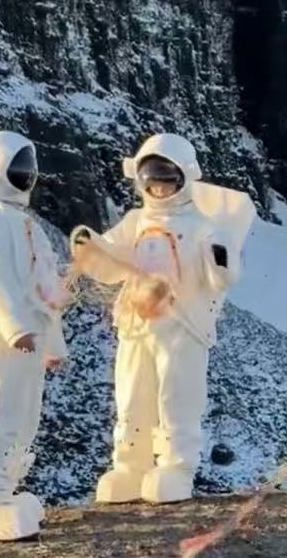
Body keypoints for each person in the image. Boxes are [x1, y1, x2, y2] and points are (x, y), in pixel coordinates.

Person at [71, 133, 255, 505]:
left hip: (181, 324)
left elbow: (223, 276)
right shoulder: (135, 221)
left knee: (177, 395)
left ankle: (175, 466)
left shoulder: (205, 225)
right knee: (132, 394)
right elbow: (109, 262)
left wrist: (220, 255)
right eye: (150, 179)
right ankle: (130, 465)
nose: (158, 187)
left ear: (185, 177)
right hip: (137, 322)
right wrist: (89, 245)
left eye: (166, 178)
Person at [0, 132, 69, 541]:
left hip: (29, 337)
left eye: (29, 169)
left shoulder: (27, 224)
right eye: (18, 168)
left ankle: (6, 492)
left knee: (24, 418)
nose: (25, 176)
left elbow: (44, 287)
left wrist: (51, 343)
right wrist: (14, 327)